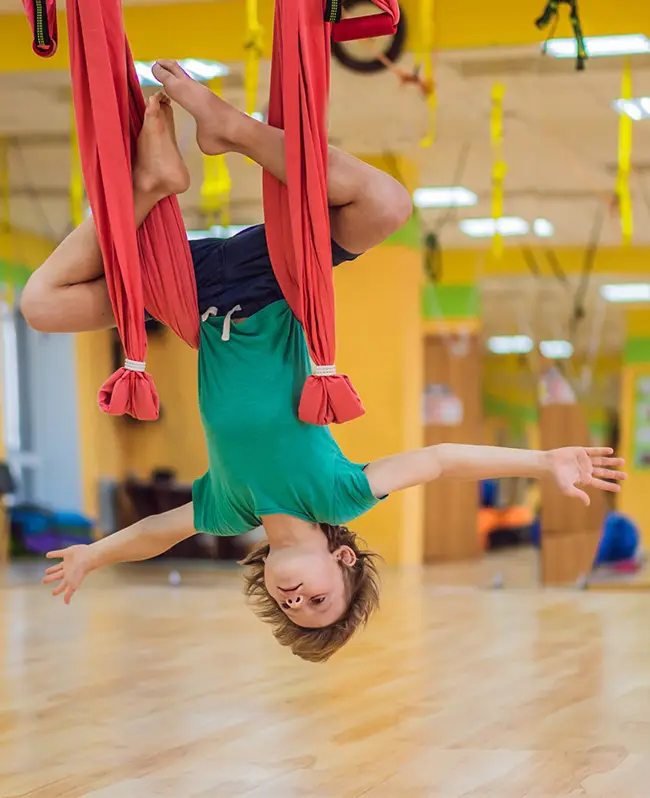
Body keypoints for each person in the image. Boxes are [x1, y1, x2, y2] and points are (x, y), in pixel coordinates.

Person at [24, 63, 627, 663]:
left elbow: (158, 533)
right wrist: (542, 461)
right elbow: (441, 460)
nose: (295, 598)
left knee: (41, 307)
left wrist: (92, 554)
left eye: (290, 608)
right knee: (388, 204)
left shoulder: (230, 508)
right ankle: (233, 130)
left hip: (194, 296)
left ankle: (148, 185)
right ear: (341, 560)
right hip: (277, 282)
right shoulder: (337, 496)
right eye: (318, 601)